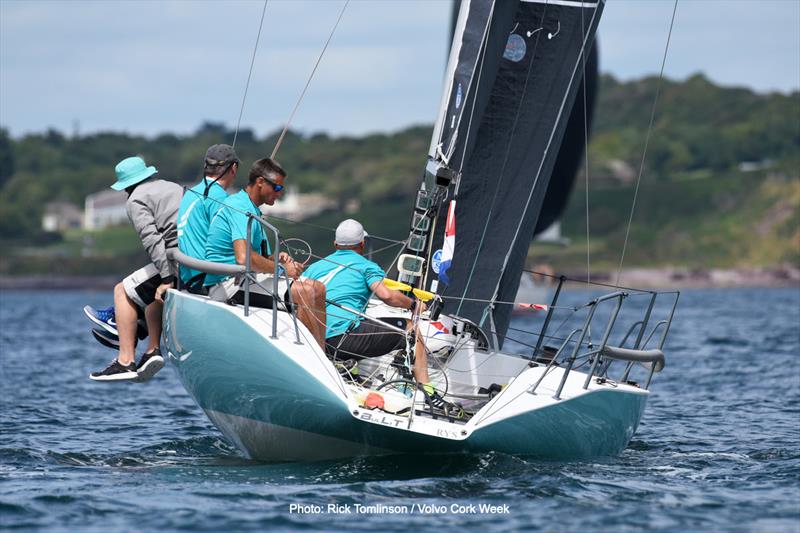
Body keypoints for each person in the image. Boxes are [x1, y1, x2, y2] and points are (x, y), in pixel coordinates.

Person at [203, 157, 327, 349]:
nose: (280, 193)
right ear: (260, 182)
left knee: (318, 289)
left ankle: (322, 355)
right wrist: (282, 268)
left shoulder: (253, 209)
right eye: (277, 188)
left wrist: (275, 259)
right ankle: (312, 357)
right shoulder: (240, 207)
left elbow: (257, 257)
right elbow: (243, 257)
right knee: (306, 292)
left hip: (246, 278)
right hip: (226, 284)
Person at [302, 219, 436, 387]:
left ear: (335, 244)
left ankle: (348, 370)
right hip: (343, 341)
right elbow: (386, 295)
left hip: (314, 339)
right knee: (410, 328)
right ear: (362, 244)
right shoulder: (366, 266)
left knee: (361, 322)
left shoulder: (314, 267)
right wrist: (414, 304)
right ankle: (428, 390)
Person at [89, 156, 183, 382]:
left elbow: (153, 241)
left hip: (179, 261)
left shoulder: (135, 200)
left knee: (122, 290)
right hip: (197, 255)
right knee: (148, 295)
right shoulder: (172, 187)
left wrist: (167, 278)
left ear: (125, 186)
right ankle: (148, 347)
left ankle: (125, 360)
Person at [177, 144, 239, 290]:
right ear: (234, 168)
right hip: (207, 279)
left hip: (187, 276)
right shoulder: (220, 198)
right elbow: (233, 243)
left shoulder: (190, 193)